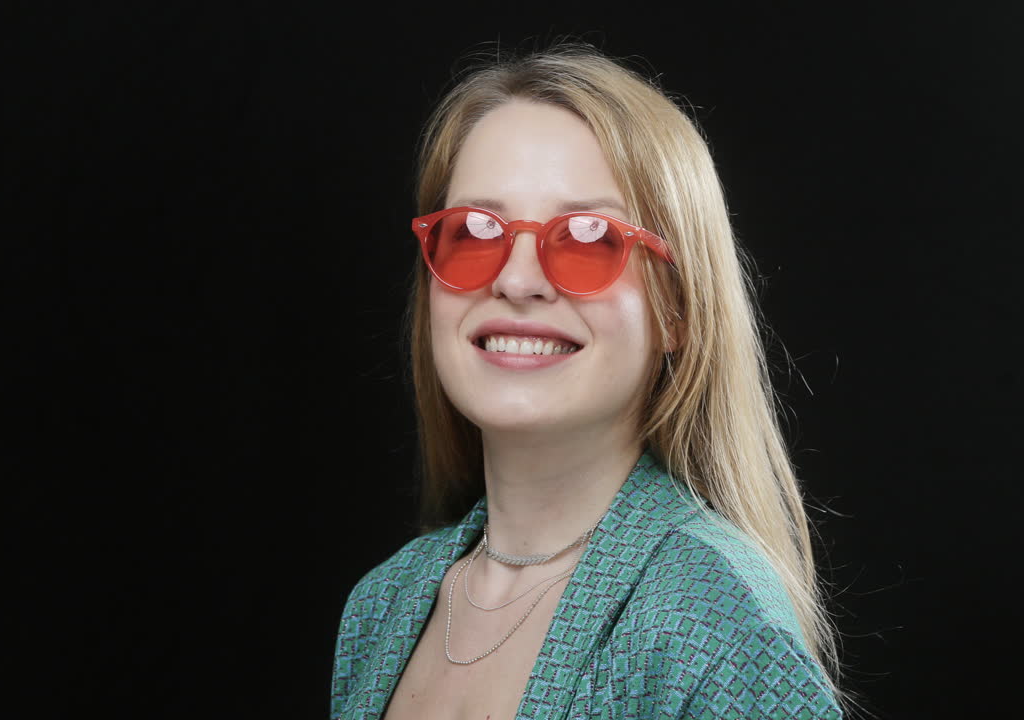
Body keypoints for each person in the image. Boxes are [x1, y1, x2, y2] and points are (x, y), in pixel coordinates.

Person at [332, 44, 844, 720]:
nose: (515, 280)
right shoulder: (381, 606)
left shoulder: (715, 627)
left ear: (679, 310)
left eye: (587, 237)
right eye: (477, 230)